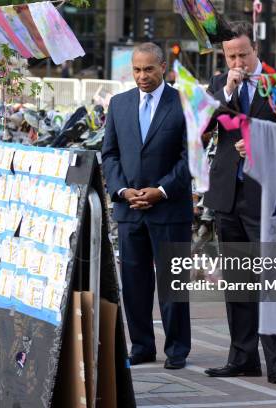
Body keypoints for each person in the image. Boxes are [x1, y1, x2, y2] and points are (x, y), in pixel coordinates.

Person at [203, 21, 276, 389]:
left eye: (243, 54)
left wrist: (266, 145)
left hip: (267, 196)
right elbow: (201, 125)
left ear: (256, 50)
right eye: (231, 55)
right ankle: (242, 356)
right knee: (238, 283)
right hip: (228, 197)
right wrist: (228, 90)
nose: (238, 61)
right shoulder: (218, 85)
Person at [102, 42, 192, 370]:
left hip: (170, 208)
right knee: (135, 283)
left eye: (149, 69)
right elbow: (109, 153)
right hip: (130, 210)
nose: (142, 76)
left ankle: (178, 349)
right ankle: (141, 346)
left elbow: (189, 156)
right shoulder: (119, 104)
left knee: (173, 284)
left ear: (163, 67)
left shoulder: (182, 102)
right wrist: (123, 190)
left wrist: (162, 190)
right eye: (137, 70)